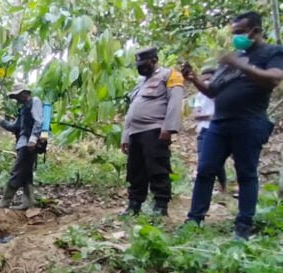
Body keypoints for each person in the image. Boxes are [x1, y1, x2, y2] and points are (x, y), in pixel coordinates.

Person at [182, 11, 283, 239]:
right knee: (205, 170)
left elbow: (274, 78)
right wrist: (195, 78)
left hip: (249, 122)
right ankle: (194, 220)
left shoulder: (272, 52)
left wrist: (240, 64)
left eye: (240, 32)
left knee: (246, 174)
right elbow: (212, 90)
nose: (236, 37)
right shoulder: (233, 58)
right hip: (219, 124)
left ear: (255, 31)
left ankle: (243, 227)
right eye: (234, 33)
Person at [121, 47, 185, 217]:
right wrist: (125, 136)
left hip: (154, 130)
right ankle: (134, 205)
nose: (140, 67)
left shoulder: (170, 75)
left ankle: (160, 205)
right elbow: (131, 111)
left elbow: (175, 102)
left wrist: (169, 128)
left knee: (157, 167)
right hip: (135, 132)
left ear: (154, 60)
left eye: (143, 63)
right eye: (138, 64)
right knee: (135, 170)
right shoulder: (140, 82)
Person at [0, 84, 43, 210]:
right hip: (23, 143)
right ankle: (29, 202)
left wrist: (33, 139)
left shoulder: (34, 102)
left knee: (17, 171)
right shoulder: (23, 109)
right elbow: (14, 127)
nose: (15, 99)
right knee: (26, 173)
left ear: (24, 93)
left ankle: (5, 200)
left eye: (17, 95)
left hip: (29, 144)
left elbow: (39, 121)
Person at [192, 68, 227, 193]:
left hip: (218, 130)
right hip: (203, 130)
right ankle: (206, 189)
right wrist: (211, 116)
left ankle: (223, 186)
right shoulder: (200, 95)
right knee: (203, 160)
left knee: (217, 162)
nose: (207, 82)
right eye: (204, 79)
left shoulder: (222, 93)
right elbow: (195, 114)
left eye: (210, 79)